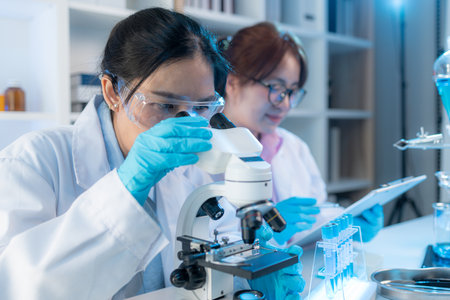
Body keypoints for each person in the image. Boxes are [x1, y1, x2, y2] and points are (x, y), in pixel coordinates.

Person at [0, 9, 303, 300]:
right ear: (112, 92)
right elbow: (19, 287)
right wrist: (126, 187)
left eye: (202, 108)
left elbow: (213, 264)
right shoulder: (34, 161)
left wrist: (248, 278)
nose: (185, 124)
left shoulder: (192, 172)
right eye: (166, 106)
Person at [218, 22, 384, 246]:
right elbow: (203, 246)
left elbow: (314, 217)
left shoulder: (293, 147)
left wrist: (346, 226)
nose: (285, 104)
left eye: (292, 91)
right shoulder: (203, 154)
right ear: (232, 82)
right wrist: (263, 234)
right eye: (275, 87)